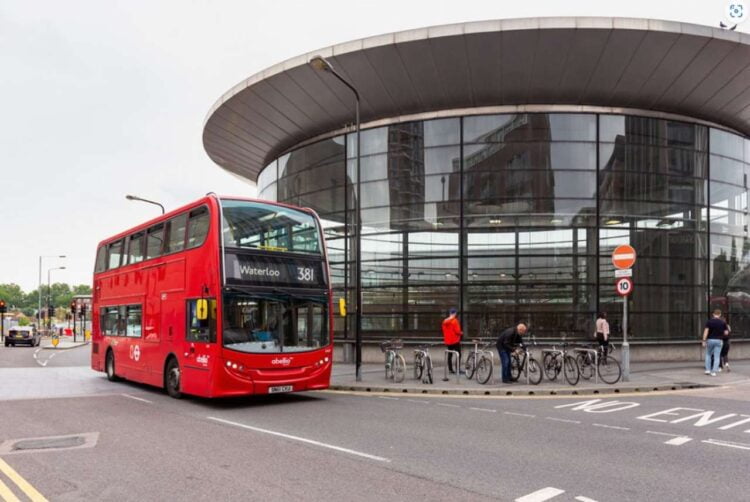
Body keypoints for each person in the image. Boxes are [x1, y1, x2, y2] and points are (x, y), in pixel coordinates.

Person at [702, 310, 727, 377]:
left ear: (713, 314)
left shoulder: (709, 322)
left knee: (708, 355)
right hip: (719, 340)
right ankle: (713, 372)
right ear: (720, 314)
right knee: (717, 356)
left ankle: (707, 370)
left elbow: (706, 331)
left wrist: (704, 340)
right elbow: (726, 333)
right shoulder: (723, 322)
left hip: (710, 340)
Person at [441, 308, 463, 374]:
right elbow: (457, 331)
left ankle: (450, 369)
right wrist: (461, 333)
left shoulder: (444, 322)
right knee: (458, 354)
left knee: (450, 355)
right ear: (455, 313)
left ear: (450, 313)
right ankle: (458, 369)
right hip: (455, 341)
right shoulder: (455, 321)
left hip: (448, 341)